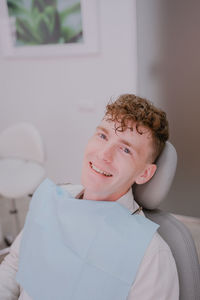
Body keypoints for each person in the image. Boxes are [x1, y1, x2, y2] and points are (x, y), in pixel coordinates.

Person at [0, 94, 179, 299]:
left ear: (144, 173)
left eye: (125, 149)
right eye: (103, 136)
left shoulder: (151, 255)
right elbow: (13, 267)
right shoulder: (53, 200)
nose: (104, 154)